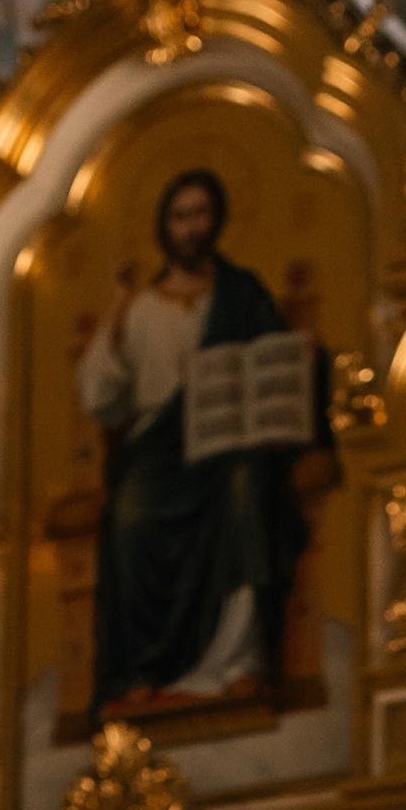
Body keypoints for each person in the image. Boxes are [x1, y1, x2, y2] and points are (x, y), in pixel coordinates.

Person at [77, 166, 310, 718]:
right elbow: (100, 398)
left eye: (201, 214)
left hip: (229, 441)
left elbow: (274, 368)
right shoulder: (139, 308)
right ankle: (141, 671)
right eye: (181, 216)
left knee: (244, 489)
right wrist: (116, 311)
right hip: (158, 448)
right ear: (165, 227)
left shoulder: (241, 293)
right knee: (130, 514)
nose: (191, 227)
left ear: (218, 220)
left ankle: (238, 662)